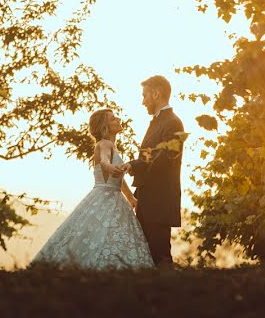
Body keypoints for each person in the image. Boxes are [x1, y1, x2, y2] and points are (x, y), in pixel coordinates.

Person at [29, 109, 154, 269]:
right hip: (106, 198)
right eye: (113, 119)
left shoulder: (113, 147)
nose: (118, 120)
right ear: (104, 127)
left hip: (113, 196)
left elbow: (119, 181)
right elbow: (103, 161)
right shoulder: (104, 144)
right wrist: (109, 167)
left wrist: (131, 198)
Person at [121, 75, 184, 267]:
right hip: (149, 199)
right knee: (147, 258)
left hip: (159, 201)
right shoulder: (159, 121)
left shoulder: (172, 122)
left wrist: (134, 165)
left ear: (156, 94)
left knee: (160, 257)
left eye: (144, 95)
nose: (143, 102)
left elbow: (164, 159)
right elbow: (152, 155)